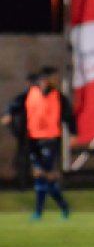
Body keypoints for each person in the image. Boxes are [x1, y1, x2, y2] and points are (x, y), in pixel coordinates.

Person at [2, 66, 76, 220]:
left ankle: (40, 212)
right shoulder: (30, 94)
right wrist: (8, 114)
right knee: (44, 176)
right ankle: (62, 207)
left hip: (50, 139)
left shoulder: (58, 97)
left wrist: (73, 134)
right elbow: (13, 104)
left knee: (42, 174)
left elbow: (69, 116)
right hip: (33, 139)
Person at [2, 72, 40, 190]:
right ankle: (23, 184)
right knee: (24, 159)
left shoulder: (46, 96)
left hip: (42, 132)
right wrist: (15, 128)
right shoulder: (24, 97)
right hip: (28, 132)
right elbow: (10, 109)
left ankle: (36, 183)